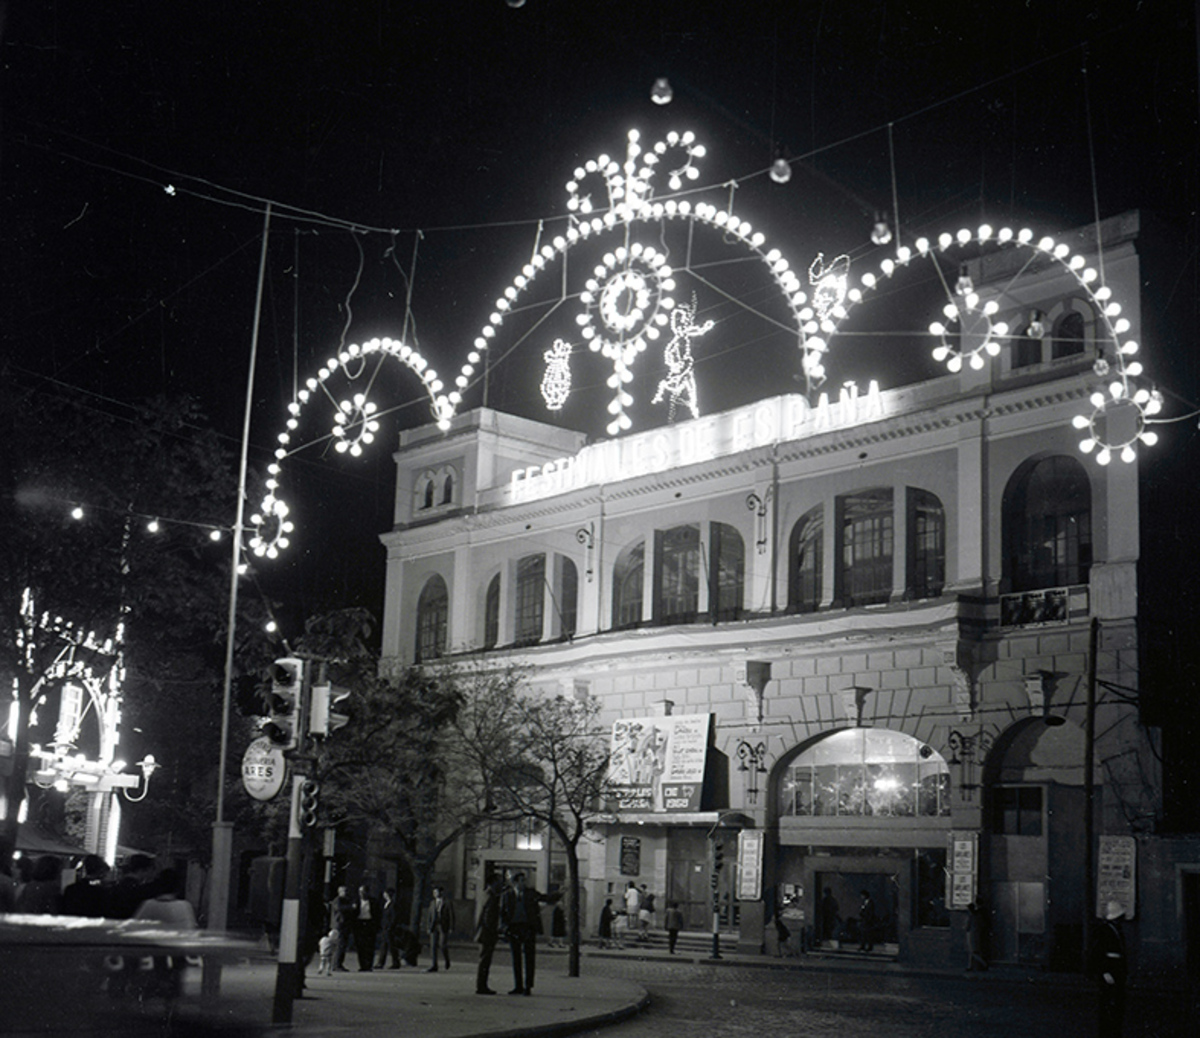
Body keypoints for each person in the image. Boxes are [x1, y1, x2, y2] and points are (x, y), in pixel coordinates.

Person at [133, 868, 197, 998]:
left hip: (154, 951)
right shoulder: (184, 906)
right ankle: (171, 1009)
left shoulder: (149, 905)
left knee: (154, 978)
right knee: (174, 983)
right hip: (177, 950)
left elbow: (135, 926)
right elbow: (190, 928)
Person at [499, 871, 558, 996]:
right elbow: (502, 913)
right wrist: (504, 929)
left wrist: (559, 893)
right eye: (521, 881)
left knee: (529, 958)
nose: (524, 883)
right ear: (515, 882)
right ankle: (518, 985)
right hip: (514, 928)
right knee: (516, 958)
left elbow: (546, 898)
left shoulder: (530, 893)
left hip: (527, 927)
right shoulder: (507, 895)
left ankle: (528, 986)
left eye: (524, 880)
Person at [1089, 900, 1128, 1038]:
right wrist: (1104, 971)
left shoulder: (1116, 929)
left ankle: (1114, 1032)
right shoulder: (1104, 930)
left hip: (1117, 971)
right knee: (1107, 1004)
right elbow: (1097, 952)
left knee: (1117, 1004)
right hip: (1109, 971)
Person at [474, 877, 504, 994]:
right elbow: (489, 917)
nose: (500, 886)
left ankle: (481, 985)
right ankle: (482, 986)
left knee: (483, 960)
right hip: (487, 933)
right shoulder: (491, 897)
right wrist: (495, 930)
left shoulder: (483, 895)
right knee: (485, 960)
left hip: (482, 932)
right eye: (498, 883)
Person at [426, 884, 455, 971]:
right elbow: (429, 916)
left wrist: (451, 927)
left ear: (441, 892)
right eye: (434, 892)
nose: (434, 894)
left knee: (442, 945)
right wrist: (428, 926)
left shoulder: (447, 902)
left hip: (443, 926)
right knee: (433, 946)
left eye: (436, 892)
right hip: (434, 926)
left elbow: (451, 915)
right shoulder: (432, 903)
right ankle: (434, 965)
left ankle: (447, 960)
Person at [328, 884, 356, 971]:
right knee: (340, 945)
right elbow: (339, 908)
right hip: (340, 925)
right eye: (344, 891)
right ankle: (336, 964)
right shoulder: (338, 900)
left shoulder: (346, 900)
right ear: (339, 892)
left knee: (342, 945)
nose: (346, 893)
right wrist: (351, 907)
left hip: (343, 925)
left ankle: (338, 963)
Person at [353, 883, 380, 971]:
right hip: (359, 924)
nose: (361, 894)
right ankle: (362, 965)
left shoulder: (373, 902)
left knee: (370, 946)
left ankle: (369, 965)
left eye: (363, 892)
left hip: (369, 924)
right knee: (360, 946)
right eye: (360, 892)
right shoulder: (356, 901)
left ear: (367, 892)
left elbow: (377, 914)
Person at [374, 887, 401, 969]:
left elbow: (394, 917)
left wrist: (390, 926)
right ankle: (381, 962)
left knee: (390, 945)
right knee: (384, 945)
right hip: (385, 927)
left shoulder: (393, 905)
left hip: (389, 928)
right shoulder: (386, 904)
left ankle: (395, 962)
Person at [965, 901, 988, 971]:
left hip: (972, 934)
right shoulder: (978, 916)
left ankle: (984, 964)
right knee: (973, 952)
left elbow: (967, 927)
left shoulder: (971, 917)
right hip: (977, 934)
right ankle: (970, 966)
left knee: (973, 952)